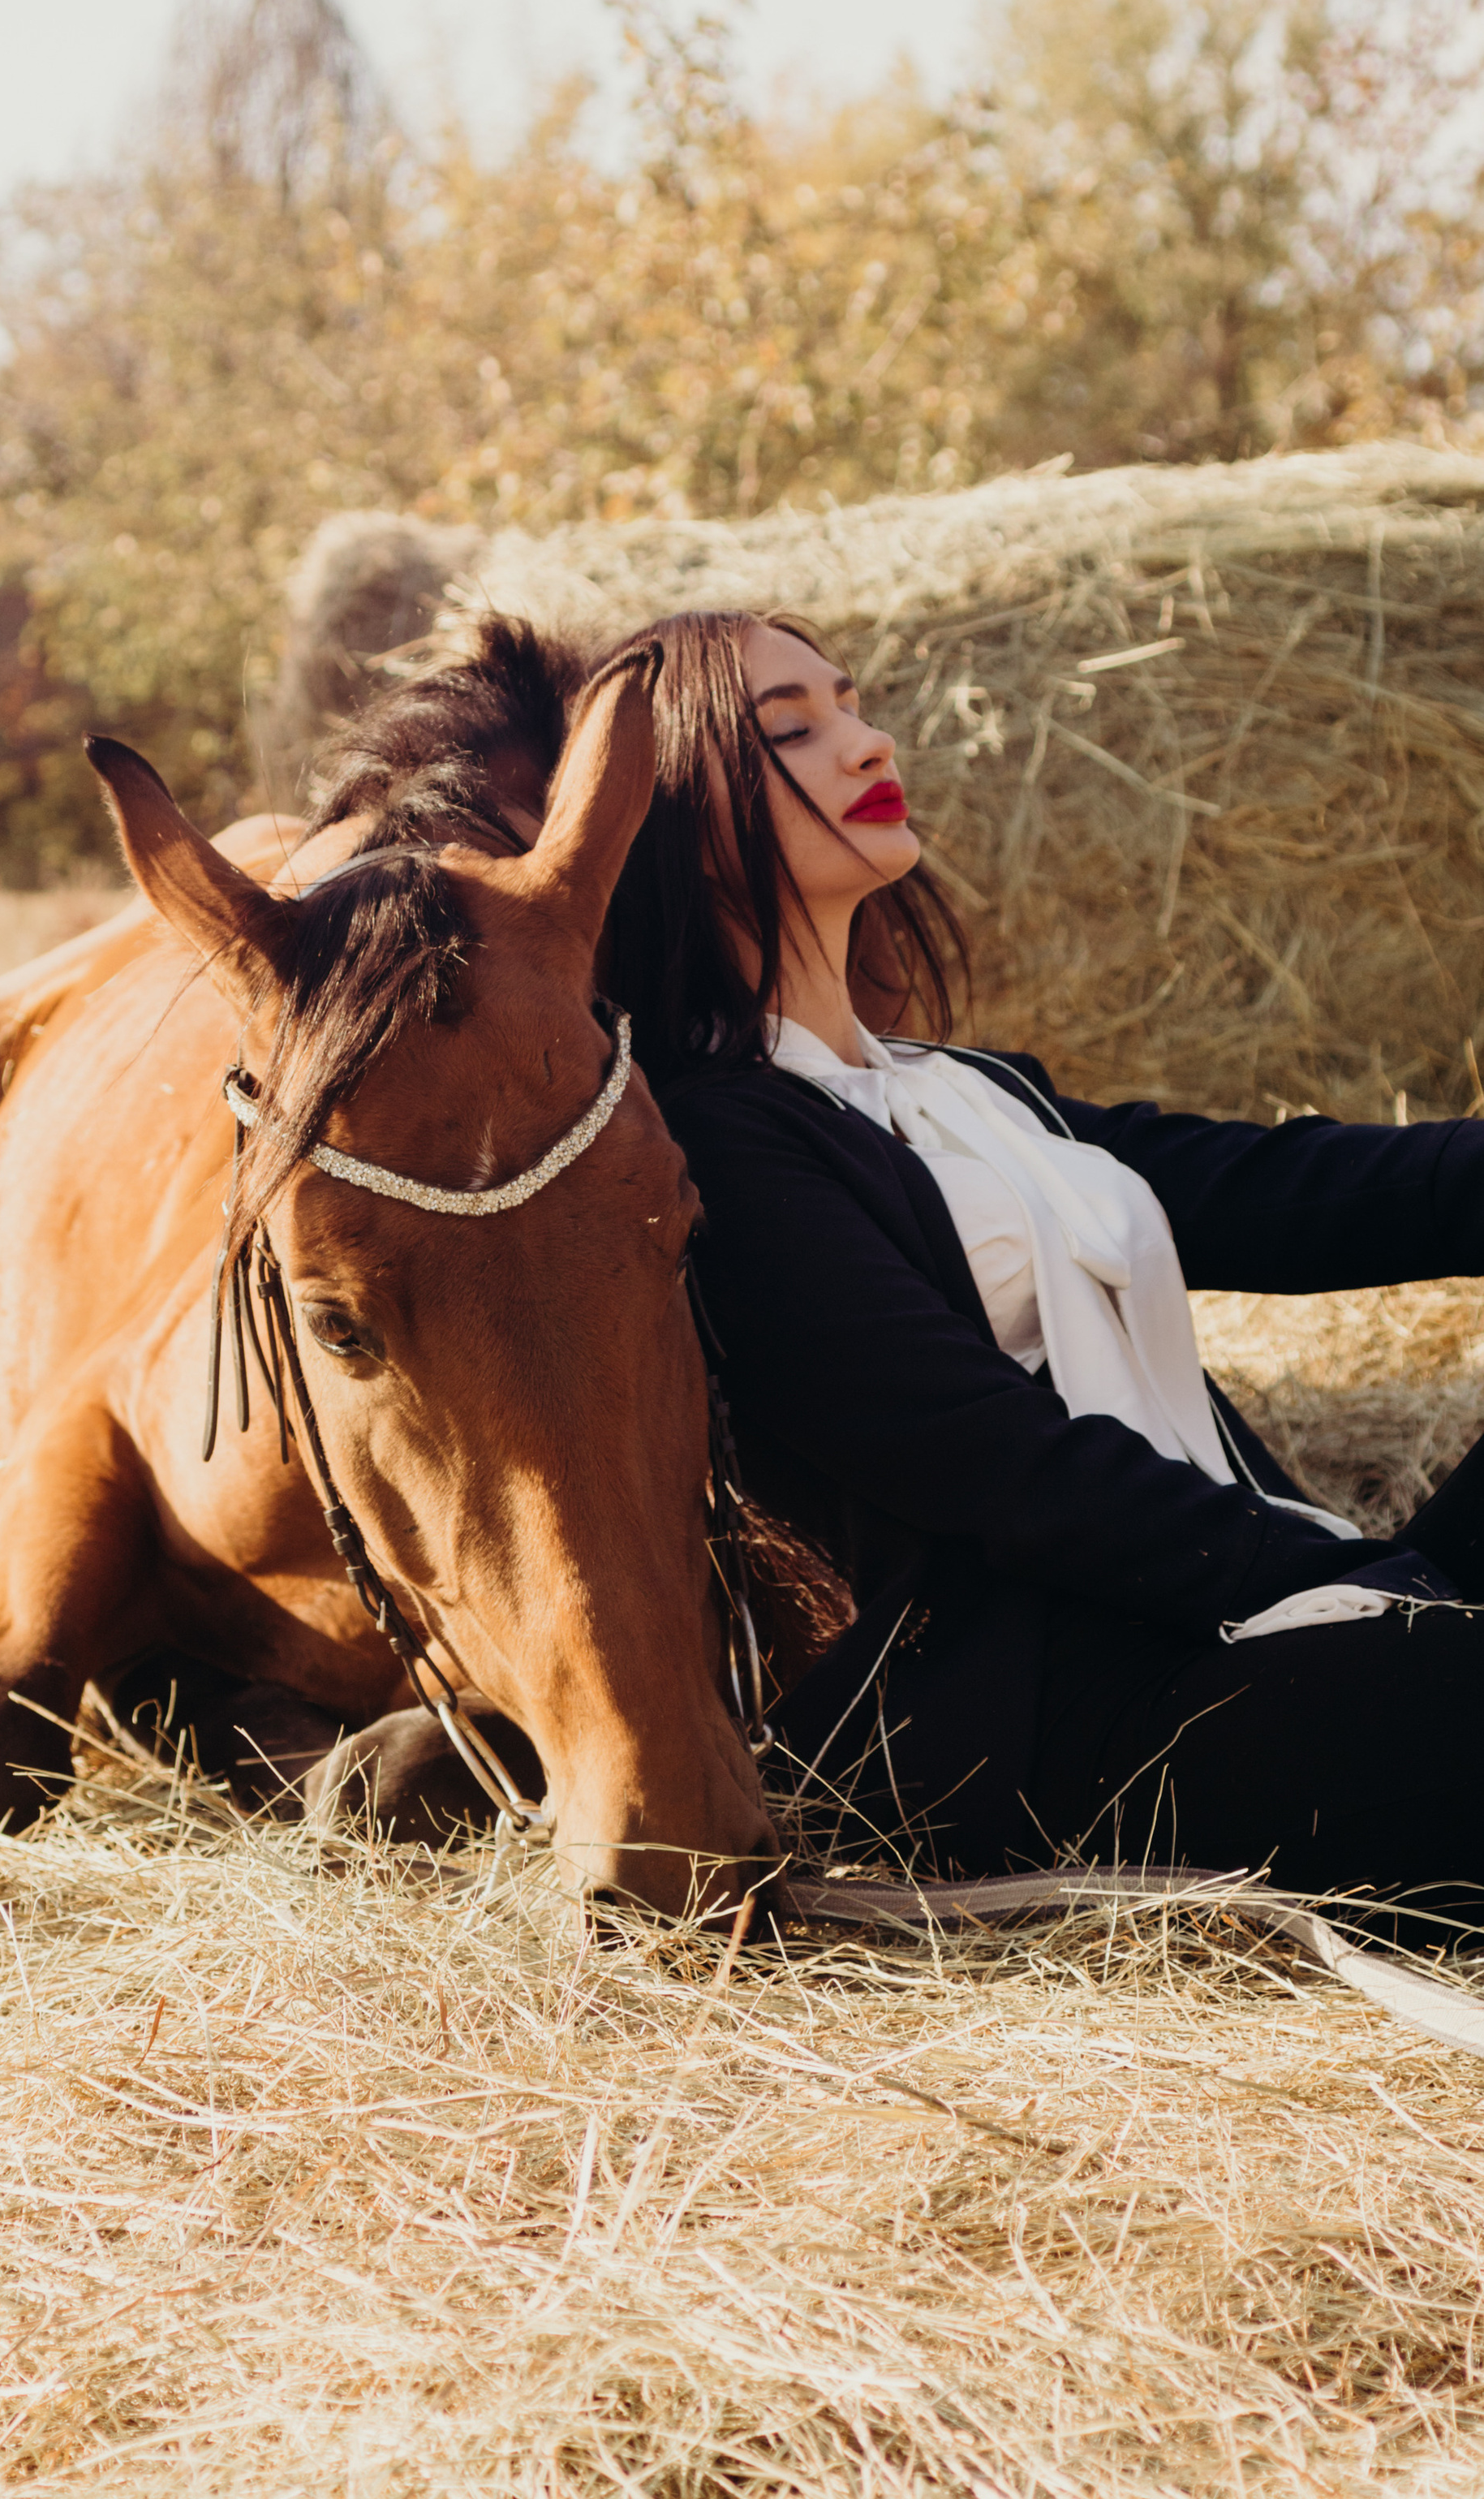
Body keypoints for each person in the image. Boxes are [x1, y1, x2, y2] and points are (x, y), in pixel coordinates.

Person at [592, 609, 1484, 1934]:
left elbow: (1280, 1192)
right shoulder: (723, 1137)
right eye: (794, 729)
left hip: (1266, 1603)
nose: (865, 739)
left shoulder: (969, 1093)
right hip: (1082, 1719)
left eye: (853, 702)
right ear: (672, 815)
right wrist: (1319, 1582)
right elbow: (993, 1463)